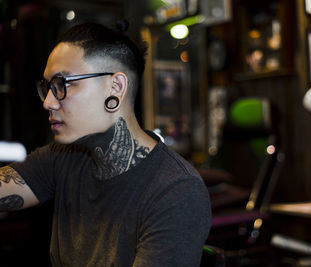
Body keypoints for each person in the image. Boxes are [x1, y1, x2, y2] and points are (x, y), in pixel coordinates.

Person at [0, 22, 211, 266]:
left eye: (62, 84)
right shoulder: (65, 157)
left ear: (115, 87)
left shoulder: (175, 190)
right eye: (47, 87)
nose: (48, 102)